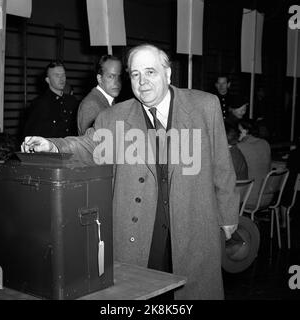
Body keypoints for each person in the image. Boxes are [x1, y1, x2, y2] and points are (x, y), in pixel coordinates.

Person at [22, 44, 239, 300]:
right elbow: (89, 145)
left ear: (168, 74)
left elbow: (221, 166)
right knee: (142, 294)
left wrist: (228, 217)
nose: (142, 81)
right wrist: (52, 145)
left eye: (150, 72)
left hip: (194, 224)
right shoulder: (114, 117)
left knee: (195, 291)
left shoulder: (205, 106)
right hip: (141, 230)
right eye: (135, 74)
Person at [23, 61, 78, 138]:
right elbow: (30, 134)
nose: (61, 78)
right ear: (48, 80)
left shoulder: (72, 101)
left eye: (63, 75)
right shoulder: (40, 104)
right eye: (57, 75)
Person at [77, 55, 122, 135]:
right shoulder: (91, 105)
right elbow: (88, 144)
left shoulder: (110, 101)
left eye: (119, 76)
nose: (116, 82)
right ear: (99, 79)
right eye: (111, 76)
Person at [237, 119, 271, 207]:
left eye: (238, 130)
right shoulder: (265, 143)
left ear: (245, 131)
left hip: (248, 199)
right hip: (268, 196)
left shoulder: (240, 147)